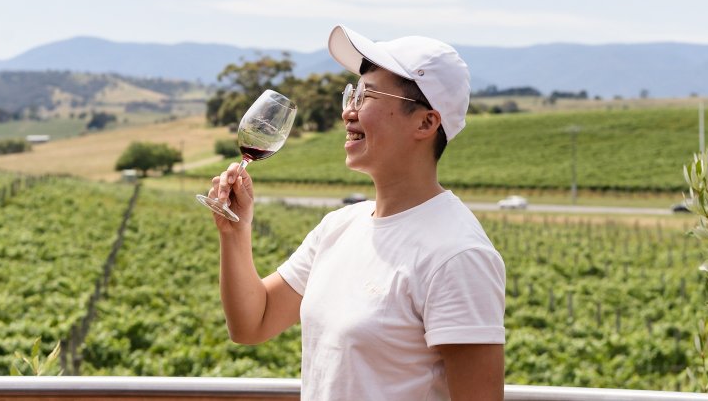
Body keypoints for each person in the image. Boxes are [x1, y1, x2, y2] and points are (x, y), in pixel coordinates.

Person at [208, 25, 506, 400]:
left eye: (366, 96)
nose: (349, 111)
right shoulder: (340, 226)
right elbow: (253, 323)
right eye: (352, 94)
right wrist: (235, 231)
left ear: (426, 122)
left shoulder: (458, 255)